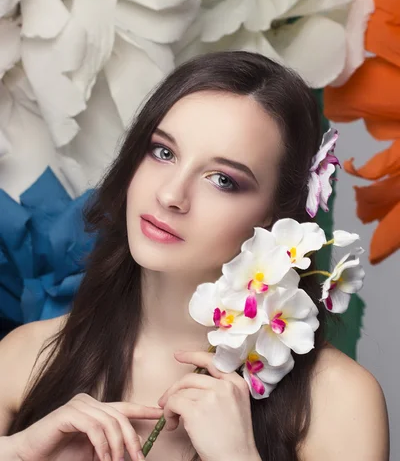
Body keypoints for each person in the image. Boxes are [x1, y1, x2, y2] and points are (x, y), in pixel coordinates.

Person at [0, 52, 389, 461]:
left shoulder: (338, 401)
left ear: (276, 213)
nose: (171, 195)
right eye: (163, 152)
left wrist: (238, 456)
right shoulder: (28, 356)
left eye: (223, 180)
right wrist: (18, 454)